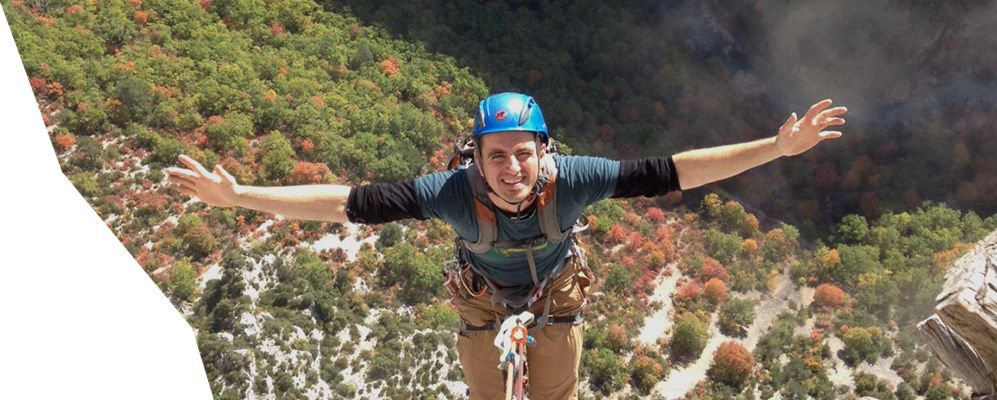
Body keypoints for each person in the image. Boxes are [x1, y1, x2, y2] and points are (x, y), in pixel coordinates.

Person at [167, 92, 846, 399]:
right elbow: (348, 203)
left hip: (553, 296)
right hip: (485, 301)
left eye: (524, 153)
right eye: (497, 156)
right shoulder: (450, 192)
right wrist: (242, 196)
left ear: (544, 153)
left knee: (555, 391)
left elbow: (672, 171)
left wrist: (776, 149)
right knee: (487, 394)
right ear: (476, 157)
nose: (512, 168)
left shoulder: (573, 181)